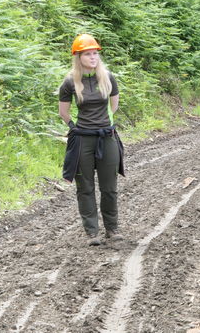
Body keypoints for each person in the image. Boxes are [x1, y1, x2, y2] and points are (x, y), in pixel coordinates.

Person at [59, 34, 125, 246]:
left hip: (107, 137)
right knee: (85, 187)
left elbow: (114, 106)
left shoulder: (107, 77)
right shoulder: (70, 82)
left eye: (95, 53)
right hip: (82, 141)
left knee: (109, 187)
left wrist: (103, 123)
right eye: (88, 54)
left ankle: (112, 229)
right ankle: (92, 233)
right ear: (78, 57)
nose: (93, 57)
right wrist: (75, 128)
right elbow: (64, 112)